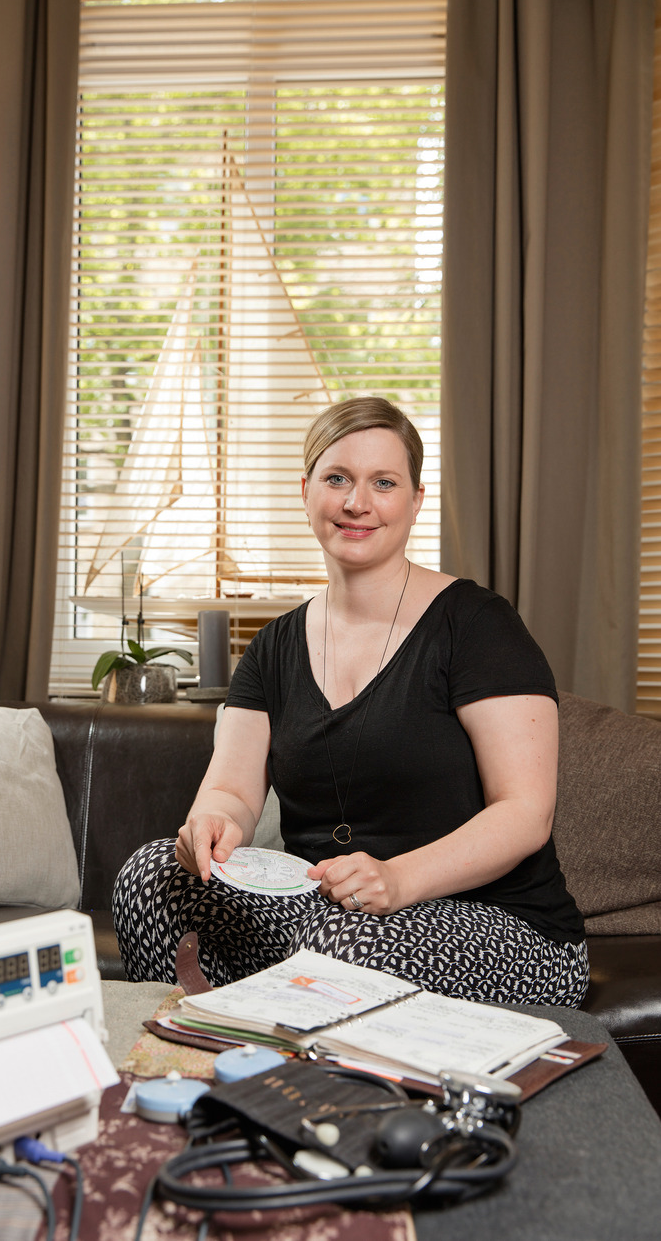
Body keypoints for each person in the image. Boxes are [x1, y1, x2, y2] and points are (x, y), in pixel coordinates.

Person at [113, 395, 589, 1006]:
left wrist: (398, 878)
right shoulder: (272, 648)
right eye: (337, 478)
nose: (357, 502)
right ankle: (207, 1044)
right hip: (327, 913)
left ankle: (280, 1015)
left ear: (415, 501)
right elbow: (233, 792)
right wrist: (212, 825)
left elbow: (525, 813)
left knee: (340, 947)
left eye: (383, 483)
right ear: (306, 490)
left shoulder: (477, 625)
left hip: (504, 926)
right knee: (151, 878)